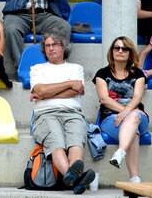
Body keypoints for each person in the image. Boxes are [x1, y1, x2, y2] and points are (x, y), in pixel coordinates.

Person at [29, 31, 96, 195]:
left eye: (55, 45)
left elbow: (77, 90)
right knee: (56, 140)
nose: (51, 49)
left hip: (73, 113)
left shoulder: (76, 68)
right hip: (46, 114)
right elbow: (40, 89)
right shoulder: (37, 69)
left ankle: (72, 177)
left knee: (76, 140)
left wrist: (45, 94)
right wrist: (69, 84)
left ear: (64, 47)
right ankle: (74, 179)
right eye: (47, 46)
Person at [93, 37, 148, 183]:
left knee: (134, 118)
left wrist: (125, 112)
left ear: (130, 53)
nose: (120, 51)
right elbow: (104, 99)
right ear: (112, 52)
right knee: (133, 133)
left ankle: (121, 152)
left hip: (137, 116)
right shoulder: (102, 74)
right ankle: (134, 177)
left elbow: (137, 97)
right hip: (110, 119)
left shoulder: (138, 74)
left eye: (124, 48)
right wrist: (127, 111)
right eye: (116, 48)